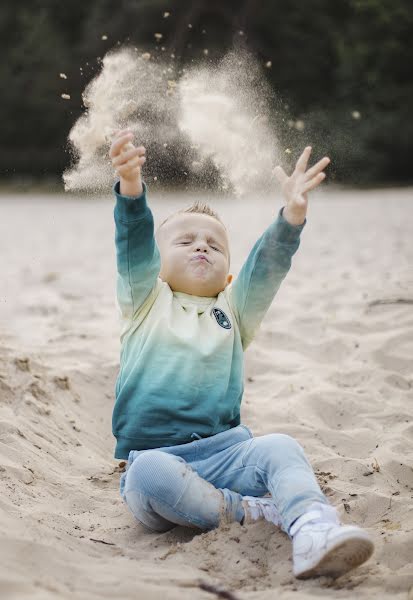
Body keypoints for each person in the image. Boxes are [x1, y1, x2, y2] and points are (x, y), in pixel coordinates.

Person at [109, 129, 374, 579]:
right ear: (156, 263)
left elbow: (266, 267)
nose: (201, 246)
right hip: (157, 461)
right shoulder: (145, 302)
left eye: (214, 245)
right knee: (150, 472)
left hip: (227, 455)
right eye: (186, 240)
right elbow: (132, 244)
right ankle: (255, 513)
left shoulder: (234, 309)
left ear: (229, 277)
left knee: (280, 447)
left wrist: (290, 217)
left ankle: (312, 526)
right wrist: (132, 190)